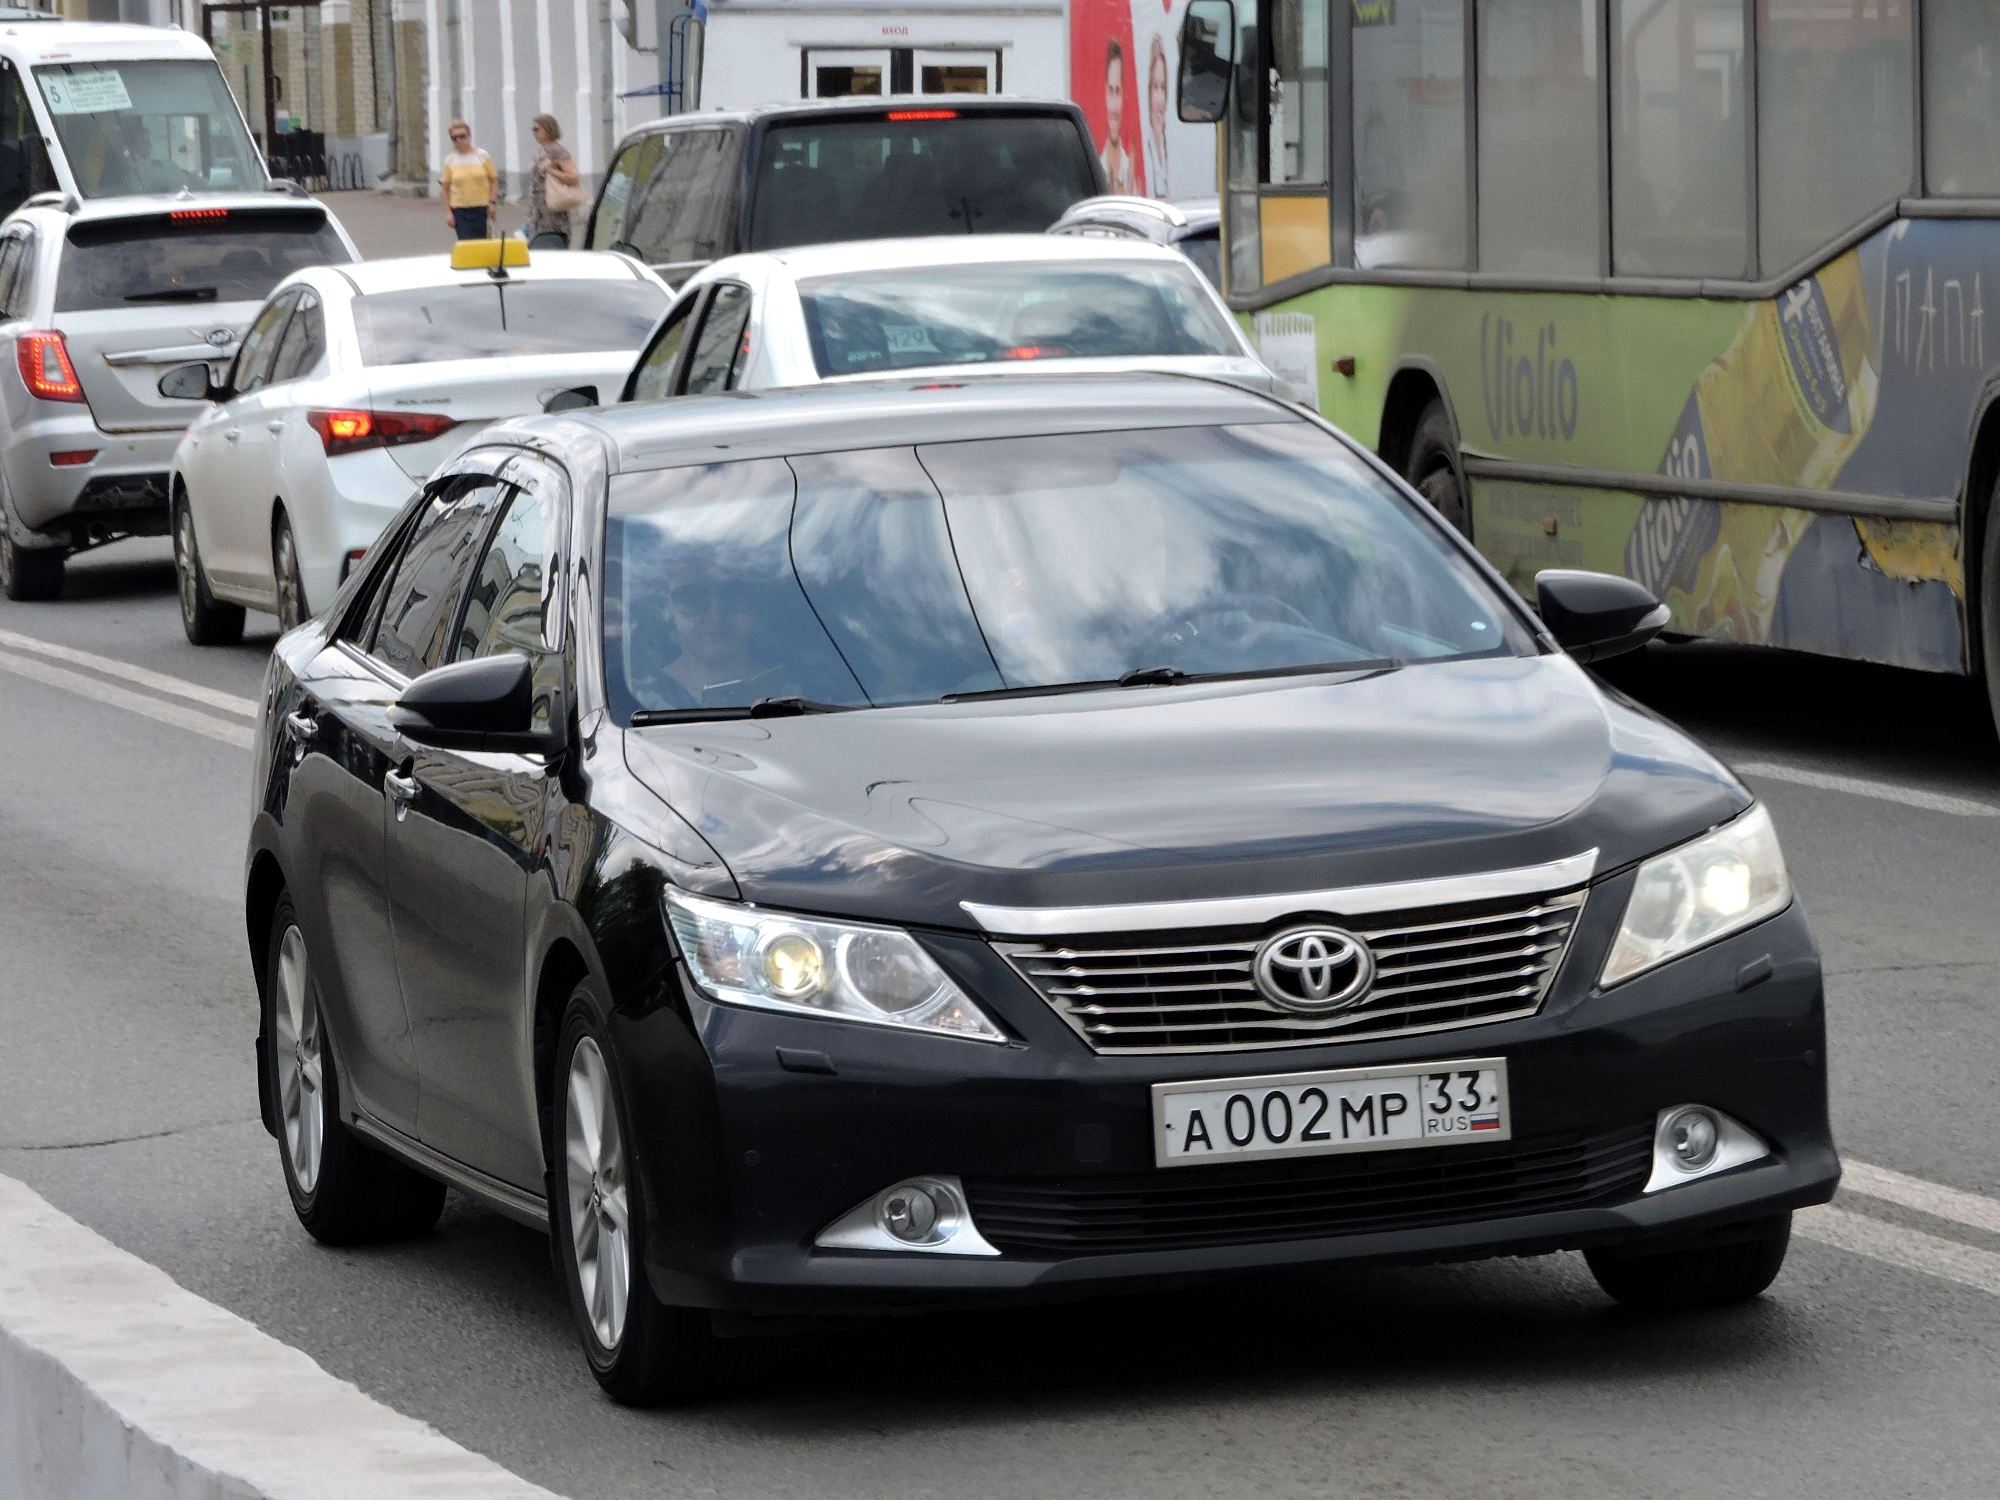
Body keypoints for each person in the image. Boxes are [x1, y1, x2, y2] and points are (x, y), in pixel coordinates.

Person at [439, 120, 498, 240]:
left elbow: (493, 180)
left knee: (483, 243)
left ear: (469, 136)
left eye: (462, 136)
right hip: (460, 210)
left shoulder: (482, 156)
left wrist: (492, 202)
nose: (459, 140)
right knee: (466, 243)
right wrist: (448, 213)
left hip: (482, 208)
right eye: (454, 138)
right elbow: (444, 189)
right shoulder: (450, 160)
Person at [528, 113, 581, 244]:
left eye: (536, 129)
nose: (533, 132)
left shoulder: (557, 150)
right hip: (539, 208)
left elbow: (573, 176)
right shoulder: (541, 150)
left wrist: (551, 170)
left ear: (548, 129)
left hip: (553, 209)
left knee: (551, 243)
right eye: (532, 129)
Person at [1101, 40, 1138, 196]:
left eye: (1118, 91)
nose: (1114, 106)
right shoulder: (1094, 168)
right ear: (1104, 93)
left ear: (1123, 96)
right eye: (1110, 91)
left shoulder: (1131, 173)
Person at [1144, 33, 1171, 197]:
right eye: (1155, 87)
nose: (1160, 99)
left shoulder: (1166, 143)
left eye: (1163, 87)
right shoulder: (1145, 145)